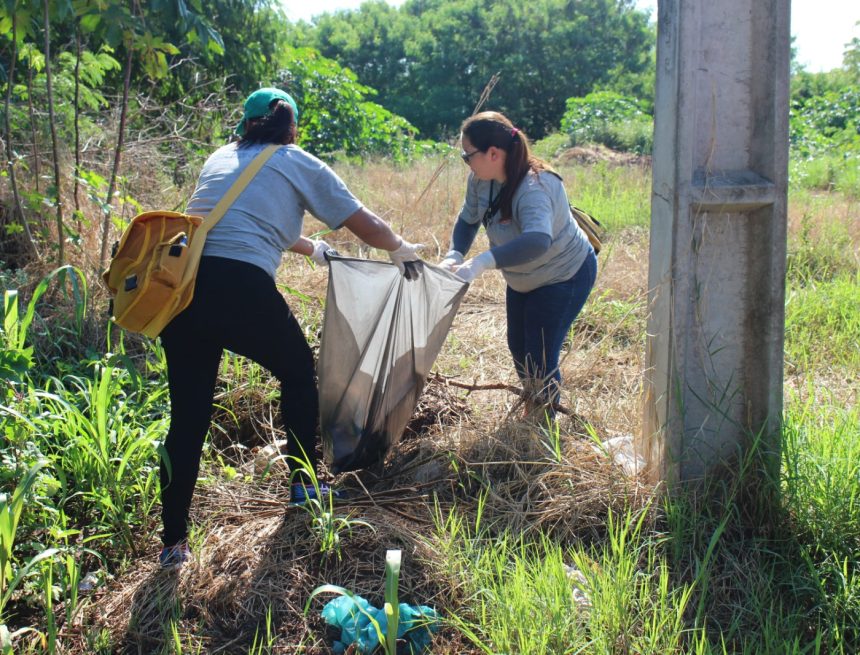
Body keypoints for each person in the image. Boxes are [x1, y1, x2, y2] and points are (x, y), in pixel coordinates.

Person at [157, 88, 421, 568]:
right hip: (240, 287)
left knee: (188, 420)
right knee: (299, 374)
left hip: (184, 293)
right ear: (290, 126)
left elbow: (243, 217)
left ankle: (173, 543)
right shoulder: (296, 160)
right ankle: (303, 487)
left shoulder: (221, 156)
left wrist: (310, 249)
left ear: (246, 123)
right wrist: (400, 248)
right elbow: (364, 221)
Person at [440, 111, 597, 414]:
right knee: (518, 347)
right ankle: (534, 404)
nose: (466, 161)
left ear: (494, 153)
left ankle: (542, 426)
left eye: (467, 155)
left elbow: (538, 241)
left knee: (539, 354)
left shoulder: (535, 187)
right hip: (523, 278)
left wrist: (483, 261)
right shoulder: (481, 180)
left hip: (563, 276)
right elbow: (468, 219)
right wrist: (455, 254)